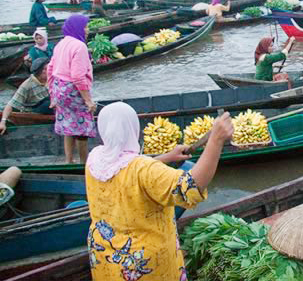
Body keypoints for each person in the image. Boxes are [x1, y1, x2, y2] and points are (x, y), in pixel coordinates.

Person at [85, 102, 234, 281]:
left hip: (105, 255)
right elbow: (190, 187)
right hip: (142, 265)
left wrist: (166, 157)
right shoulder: (143, 169)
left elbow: (126, 169)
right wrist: (216, 141)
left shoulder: (95, 158)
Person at [47, 15, 96, 164]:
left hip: (59, 88)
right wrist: (88, 101)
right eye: (85, 27)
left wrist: (53, 96)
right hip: (72, 90)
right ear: (77, 28)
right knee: (82, 128)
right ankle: (84, 162)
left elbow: (50, 69)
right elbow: (78, 76)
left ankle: (69, 161)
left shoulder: (60, 44)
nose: (87, 30)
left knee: (68, 124)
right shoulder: (79, 46)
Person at [0, 58, 53, 134]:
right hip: (34, 109)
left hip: (49, 104)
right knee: (48, 103)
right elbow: (10, 105)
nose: (51, 71)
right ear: (41, 71)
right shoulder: (27, 85)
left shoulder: (51, 79)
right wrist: (3, 122)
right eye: (47, 69)